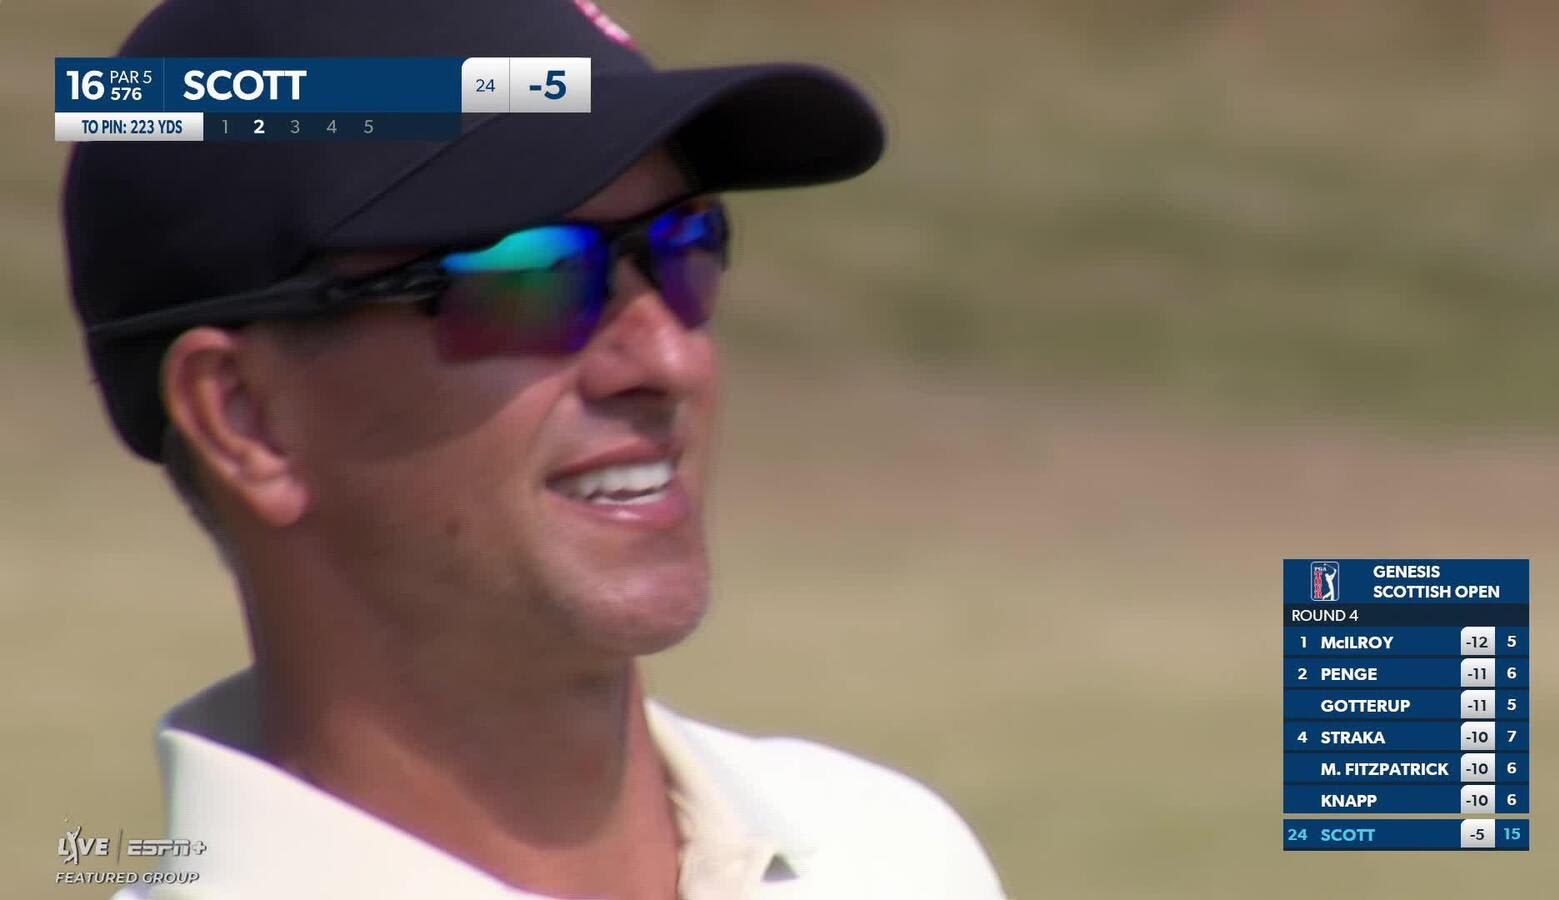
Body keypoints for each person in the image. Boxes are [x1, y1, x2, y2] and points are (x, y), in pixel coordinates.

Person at [63, 1, 1007, 898]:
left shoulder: (891, 850)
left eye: (683, 246)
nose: (668, 357)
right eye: (530, 275)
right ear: (245, 420)